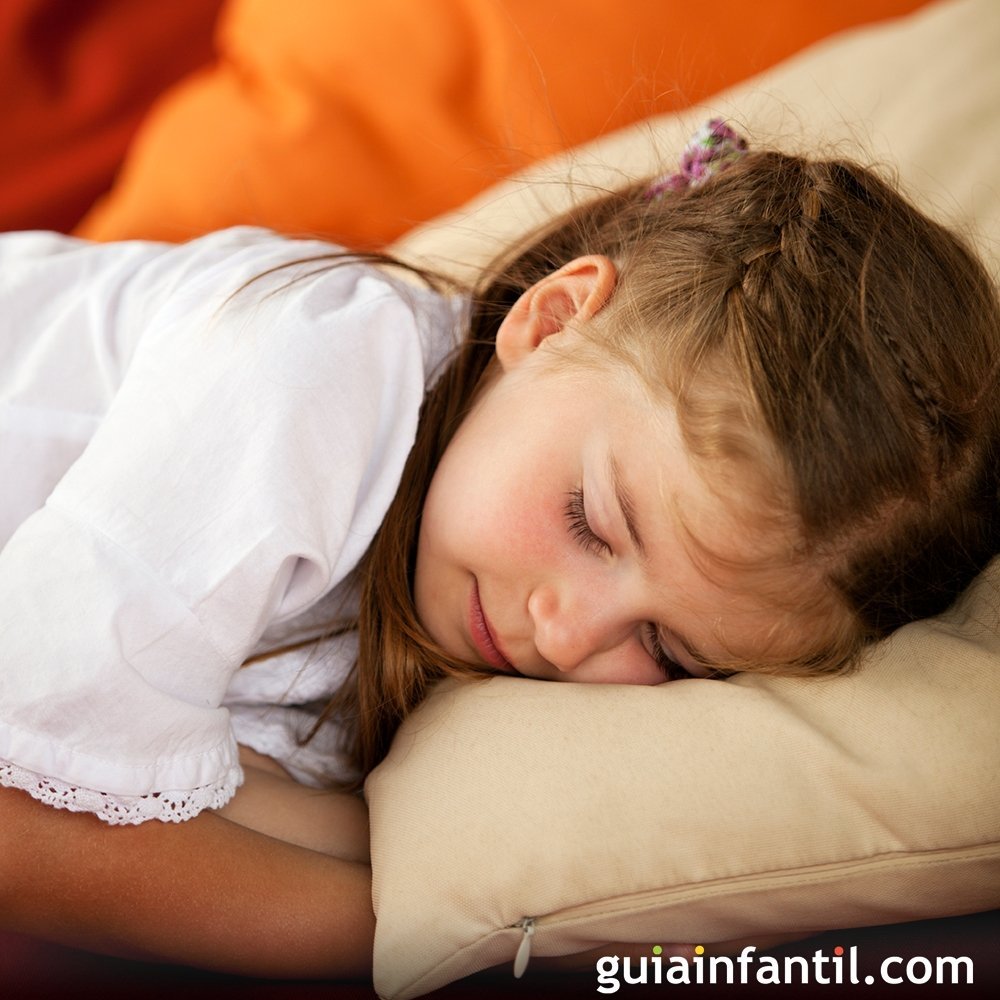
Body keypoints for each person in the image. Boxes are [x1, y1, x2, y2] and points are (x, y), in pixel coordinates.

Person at [0, 121, 998, 978]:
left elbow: (199, 798)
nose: (566, 637)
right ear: (551, 318)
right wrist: (404, 935)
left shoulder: (433, 635)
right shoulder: (316, 376)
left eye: (664, 648)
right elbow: (23, 818)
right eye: (589, 523)